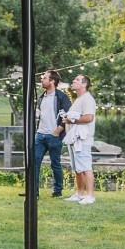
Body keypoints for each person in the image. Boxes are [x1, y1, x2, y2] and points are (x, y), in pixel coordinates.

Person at [32, 69, 72, 197]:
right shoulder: (41, 97)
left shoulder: (61, 97)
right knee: (34, 162)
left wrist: (59, 129)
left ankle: (58, 191)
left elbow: (69, 114)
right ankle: (34, 192)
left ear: (52, 81)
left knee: (55, 164)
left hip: (54, 136)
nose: (41, 80)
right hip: (40, 135)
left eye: (44, 78)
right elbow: (38, 114)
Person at [64, 74, 98, 204]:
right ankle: (79, 193)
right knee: (77, 168)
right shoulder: (78, 99)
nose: (73, 81)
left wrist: (71, 119)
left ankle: (90, 196)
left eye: (77, 80)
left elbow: (89, 118)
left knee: (85, 167)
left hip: (82, 138)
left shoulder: (87, 99)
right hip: (73, 138)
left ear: (84, 84)